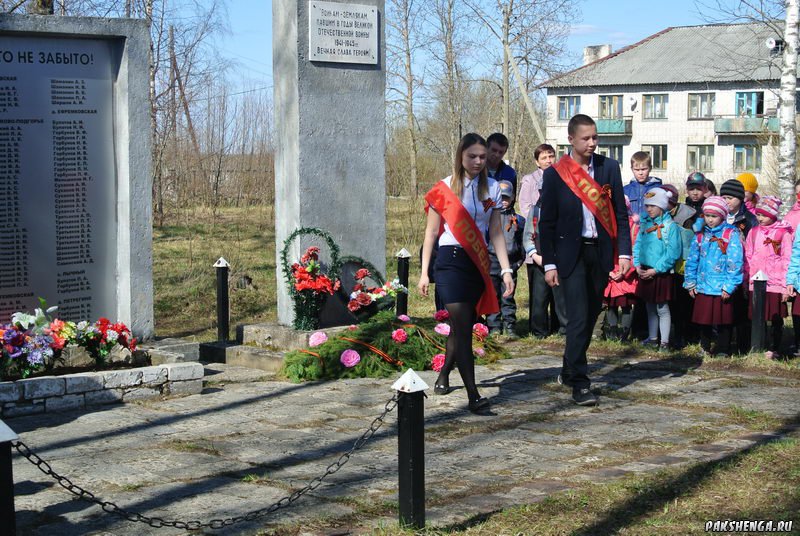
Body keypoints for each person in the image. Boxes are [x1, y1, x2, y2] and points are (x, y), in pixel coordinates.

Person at [538, 114, 632, 406]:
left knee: (590, 315)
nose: (592, 143)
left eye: (595, 138)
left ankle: (568, 369)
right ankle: (580, 382)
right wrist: (550, 263)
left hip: (599, 253)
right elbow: (547, 223)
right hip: (570, 254)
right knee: (578, 316)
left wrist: (625, 252)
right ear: (571, 140)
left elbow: (619, 213)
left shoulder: (608, 168)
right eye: (586, 138)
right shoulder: (555, 174)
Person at [419, 133, 515, 413]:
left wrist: (506, 269)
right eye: (472, 156)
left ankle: (444, 374)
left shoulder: (494, 188)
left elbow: (496, 232)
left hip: (478, 263)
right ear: (460, 156)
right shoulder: (444, 188)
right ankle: (474, 395)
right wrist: (424, 272)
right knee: (462, 326)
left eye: (483, 157)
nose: (478, 161)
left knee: (462, 326)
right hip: (449, 263)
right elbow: (431, 233)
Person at [684, 196, 744, 357]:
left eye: (714, 216)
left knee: (723, 319)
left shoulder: (731, 234)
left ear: (723, 216)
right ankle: (704, 346)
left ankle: (723, 348)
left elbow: (735, 261)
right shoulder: (700, 235)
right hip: (703, 284)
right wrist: (690, 281)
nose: (710, 220)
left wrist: (730, 285)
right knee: (704, 319)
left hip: (722, 286)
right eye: (707, 216)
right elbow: (692, 260)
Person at [519, 144, 566, 337]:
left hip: (557, 250)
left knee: (559, 293)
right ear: (537, 160)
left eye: (551, 156)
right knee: (539, 294)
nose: (548, 160)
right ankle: (538, 328)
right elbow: (525, 208)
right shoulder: (530, 180)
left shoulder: (561, 176)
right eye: (544, 157)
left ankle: (560, 325)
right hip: (537, 247)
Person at [633, 188, 682, 350]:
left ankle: (665, 342)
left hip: (661, 273)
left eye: (653, 205)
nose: (649, 209)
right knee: (649, 307)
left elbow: (673, 252)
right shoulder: (645, 224)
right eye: (647, 206)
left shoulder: (670, 227)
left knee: (662, 308)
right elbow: (638, 245)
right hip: (645, 270)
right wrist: (637, 265)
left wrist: (656, 269)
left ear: (662, 206)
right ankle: (653, 338)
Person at [744, 196, 793, 358]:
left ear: (772, 215)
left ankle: (774, 347)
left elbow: (787, 258)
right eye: (758, 214)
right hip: (757, 282)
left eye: (763, 215)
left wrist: (786, 284)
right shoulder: (753, 232)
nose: (760, 218)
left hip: (775, 283)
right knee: (758, 316)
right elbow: (748, 256)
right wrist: (748, 278)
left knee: (775, 318)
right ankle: (759, 345)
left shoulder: (782, 234)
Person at [721, 178, 757, 353]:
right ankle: (724, 345)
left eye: (731, 198)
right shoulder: (718, 217)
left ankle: (743, 347)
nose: (727, 201)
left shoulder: (749, 220)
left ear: (741, 198)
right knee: (725, 308)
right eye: (724, 197)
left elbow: (754, 246)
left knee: (742, 310)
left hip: (743, 268)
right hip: (721, 269)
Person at [661, 183, 700, 347]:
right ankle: (672, 335)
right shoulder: (657, 215)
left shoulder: (688, 217)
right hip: (665, 266)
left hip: (683, 267)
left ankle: (687, 335)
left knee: (685, 303)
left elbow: (690, 240)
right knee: (670, 304)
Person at [486, 180, 525, 338]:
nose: (503, 200)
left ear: (513, 197)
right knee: (493, 295)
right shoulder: (487, 217)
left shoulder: (519, 220)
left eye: (506, 198)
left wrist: (517, 263)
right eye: (500, 197)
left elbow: (523, 244)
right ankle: (494, 325)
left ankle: (510, 325)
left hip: (510, 263)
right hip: (491, 262)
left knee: (508, 296)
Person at [603, 195, 639, 341]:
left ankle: (624, 333)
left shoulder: (634, 227)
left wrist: (626, 270)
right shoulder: (605, 227)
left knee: (625, 305)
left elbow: (637, 250)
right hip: (611, 272)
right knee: (610, 304)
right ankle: (612, 331)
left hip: (626, 274)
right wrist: (608, 270)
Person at [623, 151, 662, 217]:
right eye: (637, 170)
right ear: (632, 169)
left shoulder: (658, 189)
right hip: (632, 226)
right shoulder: (625, 190)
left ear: (650, 168)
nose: (640, 173)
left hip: (652, 226)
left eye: (643, 169)